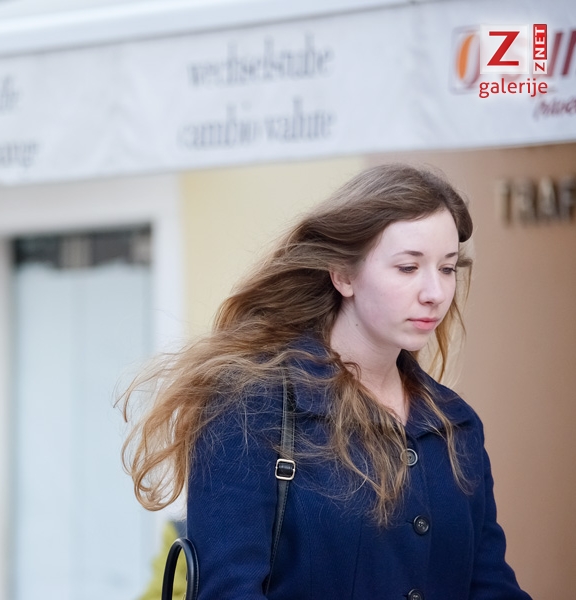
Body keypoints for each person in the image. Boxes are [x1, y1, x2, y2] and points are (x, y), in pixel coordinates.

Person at [120, 164, 532, 599]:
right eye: (408, 267)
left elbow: (491, 586)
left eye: (447, 269)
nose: (435, 293)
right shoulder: (250, 406)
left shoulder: (456, 423)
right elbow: (230, 590)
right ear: (343, 274)